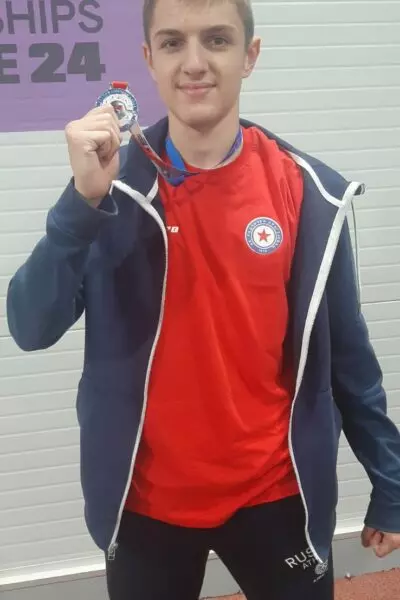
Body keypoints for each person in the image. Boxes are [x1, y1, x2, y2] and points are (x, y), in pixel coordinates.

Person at [6, 0, 400, 599]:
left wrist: (390, 481)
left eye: (216, 40)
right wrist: (80, 205)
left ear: (250, 55)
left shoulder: (307, 190)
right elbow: (30, 326)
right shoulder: (110, 188)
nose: (194, 63)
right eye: (172, 43)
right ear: (149, 59)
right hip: (145, 504)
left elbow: (349, 355)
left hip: (276, 492)